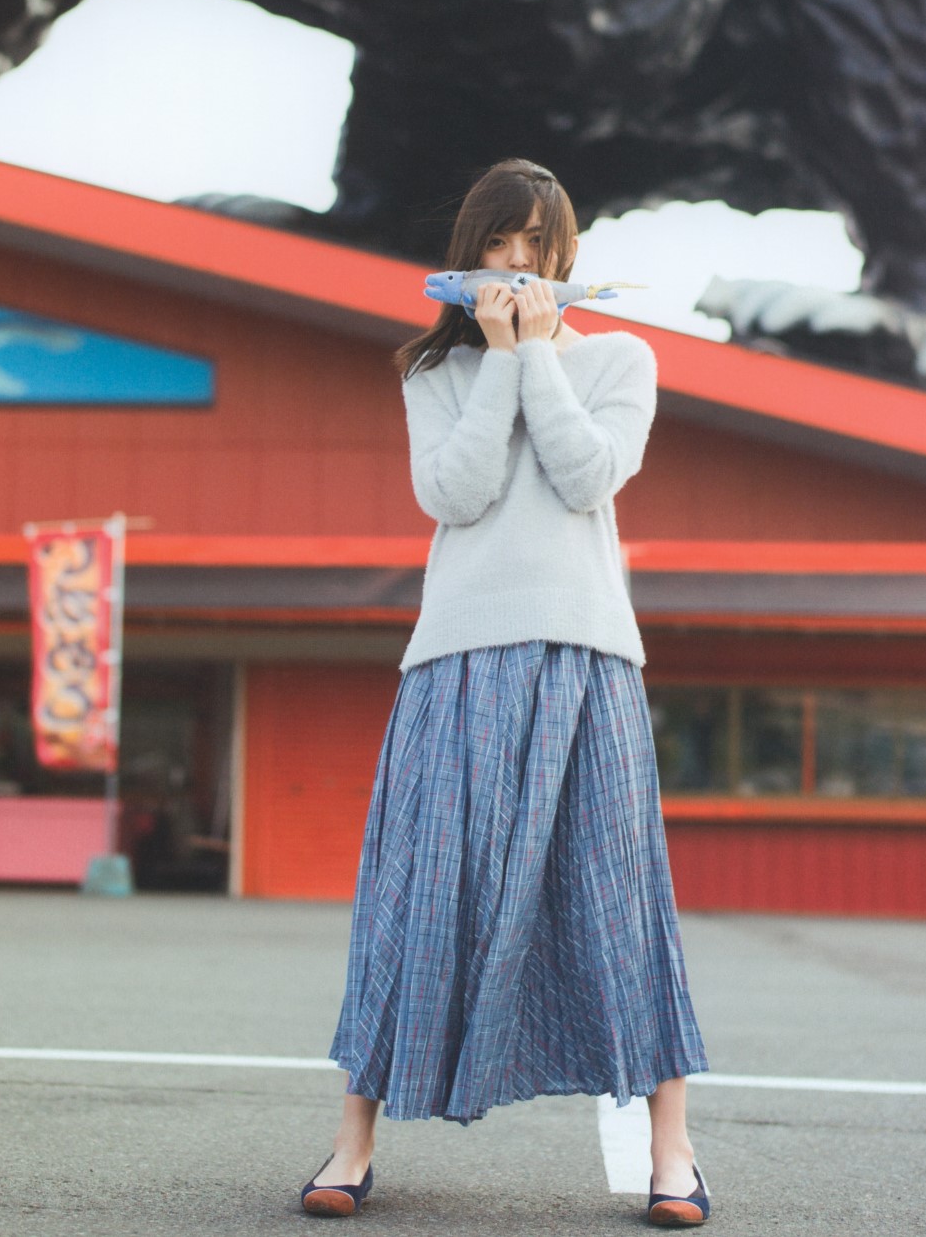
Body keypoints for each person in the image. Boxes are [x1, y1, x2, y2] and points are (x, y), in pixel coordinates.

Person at [300, 159, 710, 1226]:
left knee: (620, 896)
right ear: (468, 250)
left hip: (585, 652)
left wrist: (535, 357)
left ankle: (674, 1153)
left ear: (565, 252)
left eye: (537, 243)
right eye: (498, 243)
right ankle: (352, 1142)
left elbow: (585, 476)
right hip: (458, 652)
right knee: (419, 892)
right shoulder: (430, 372)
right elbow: (456, 491)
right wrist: (492, 360)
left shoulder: (622, 356)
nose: (518, 263)